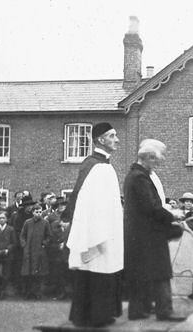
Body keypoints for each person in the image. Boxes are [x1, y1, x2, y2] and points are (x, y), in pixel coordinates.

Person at [63, 122, 124, 328]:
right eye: (112, 136)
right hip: (93, 229)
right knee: (94, 267)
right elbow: (80, 195)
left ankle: (102, 314)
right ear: (100, 140)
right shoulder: (93, 165)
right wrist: (90, 230)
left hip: (106, 227)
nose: (116, 139)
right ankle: (90, 316)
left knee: (103, 268)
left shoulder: (105, 165)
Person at [124, 139, 186, 321]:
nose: (158, 164)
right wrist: (173, 216)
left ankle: (138, 310)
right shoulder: (141, 178)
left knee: (140, 274)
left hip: (138, 234)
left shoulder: (133, 175)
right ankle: (164, 311)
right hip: (149, 235)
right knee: (161, 273)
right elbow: (151, 207)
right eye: (157, 160)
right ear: (149, 158)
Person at [20, 204, 51, 300]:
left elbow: (49, 236)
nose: (38, 214)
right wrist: (24, 245)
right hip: (29, 251)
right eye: (36, 212)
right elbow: (22, 235)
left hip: (39, 251)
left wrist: (44, 243)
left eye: (40, 212)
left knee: (38, 273)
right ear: (33, 212)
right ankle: (28, 293)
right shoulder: (27, 222)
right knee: (28, 273)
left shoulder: (45, 223)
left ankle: (37, 293)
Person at [45, 197, 70, 300]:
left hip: (69, 253)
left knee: (70, 274)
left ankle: (70, 293)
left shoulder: (72, 222)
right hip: (57, 255)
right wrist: (57, 246)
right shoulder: (53, 224)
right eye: (59, 205)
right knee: (58, 274)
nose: (61, 207)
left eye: (64, 205)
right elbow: (49, 240)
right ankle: (60, 292)